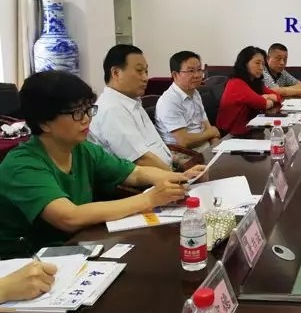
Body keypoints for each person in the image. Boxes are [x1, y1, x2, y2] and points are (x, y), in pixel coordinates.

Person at [0, 71, 203, 257]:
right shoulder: (22, 165)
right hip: (25, 262)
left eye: (88, 109)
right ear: (44, 122)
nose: (86, 119)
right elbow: (69, 217)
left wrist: (180, 178)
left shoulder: (82, 149)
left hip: (74, 248)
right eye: (77, 113)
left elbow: (135, 173)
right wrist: (149, 199)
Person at [88, 44, 173, 170]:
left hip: (165, 171)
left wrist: (179, 164)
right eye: (139, 71)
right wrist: (180, 177)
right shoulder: (111, 109)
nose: (145, 78)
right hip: (146, 179)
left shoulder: (132, 101)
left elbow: (155, 146)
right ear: (116, 73)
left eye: (146, 71)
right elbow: (141, 160)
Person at [155, 50, 221, 151]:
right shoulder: (169, 101)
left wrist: (216, 147)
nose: (197, 75)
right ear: (175, 75)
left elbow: (207, 126)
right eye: (191, 71)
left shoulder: (195, 93)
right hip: (184, 154)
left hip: (205, 148)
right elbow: (184, 141)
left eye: (199, 69)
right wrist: (211, 133)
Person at [216, 46, 282, 136]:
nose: (261, 67)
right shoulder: (236, 83)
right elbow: (264, 104)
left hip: (248, 128)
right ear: (245, 64)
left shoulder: (255, 82)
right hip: (230, 134)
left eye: (263, 64)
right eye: (257, 63)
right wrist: (265, 99)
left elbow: (277, 97)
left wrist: (265, 97)